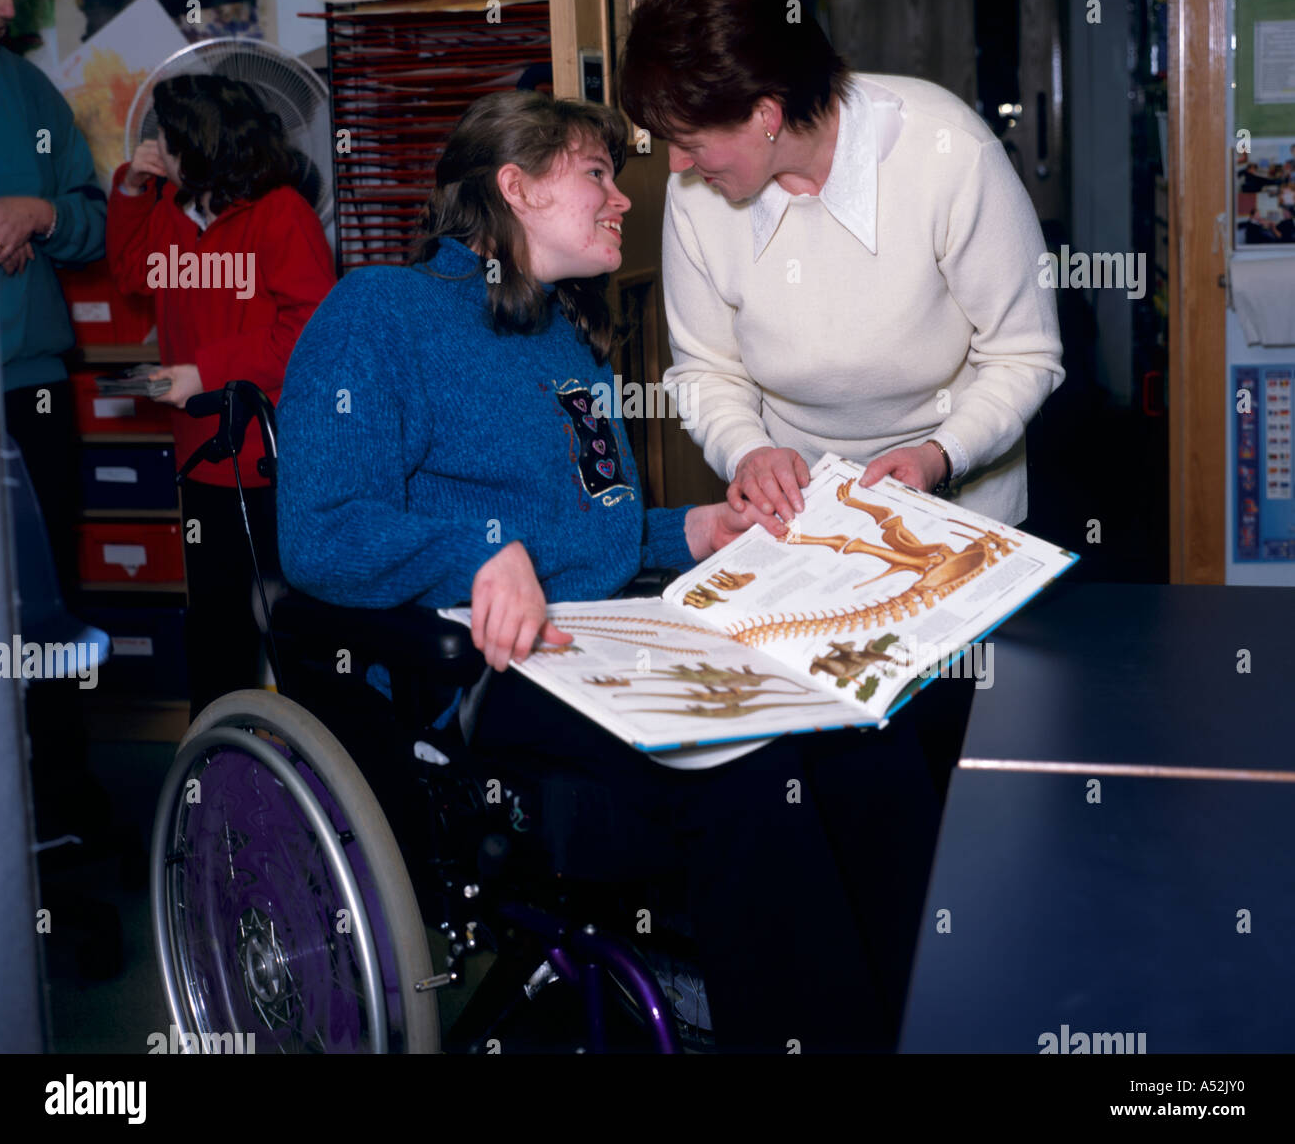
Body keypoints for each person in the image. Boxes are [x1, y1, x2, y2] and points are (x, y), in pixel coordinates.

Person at [275, 89, 921, 1051]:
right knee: (750, 768)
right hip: (476, 672)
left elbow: (589, 531)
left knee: (865, 736)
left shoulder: (559, 334)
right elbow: (321, 533)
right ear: (515, 188)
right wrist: (480, 555)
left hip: (604, 635)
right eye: (595, 174)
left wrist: (694, 530)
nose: (623, 198)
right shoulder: (382, 312)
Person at [617, 0, 1065, 1012]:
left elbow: (1025, 355)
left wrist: (937, 457)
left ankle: (958, 1001)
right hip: (802, 538)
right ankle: (863, 1011)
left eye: (692, 138)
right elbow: (705, 371)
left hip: (958, 521)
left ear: (767, 115)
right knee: (832, 799)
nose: (677, 165)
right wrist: (744, 453)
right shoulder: (702, 202)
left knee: (952, 809)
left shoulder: (942, 148)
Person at [107, 74, 335, 717]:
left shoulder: (281, 213)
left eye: (167, 139)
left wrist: (205, 372)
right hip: (202, 457)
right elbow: (129, 273)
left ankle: (318, 777)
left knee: (292, 627)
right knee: (214, 625)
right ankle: (217, 768)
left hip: (277, 461)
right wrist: (130, 189)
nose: (156, 147)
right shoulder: (170, 210)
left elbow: (308, 334)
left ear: (200, 148)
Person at [0, 0, 107, 583]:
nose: (7, 9)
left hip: (30, 391)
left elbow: (94, 221)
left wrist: (39, 214)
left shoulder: (31, 91)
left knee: (44, 598)